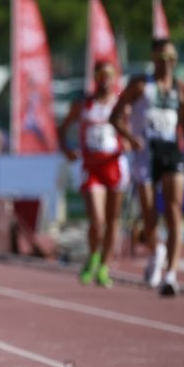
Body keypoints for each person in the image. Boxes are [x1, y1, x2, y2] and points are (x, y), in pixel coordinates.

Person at [110, 38, 184, 296]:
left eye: (171, 58)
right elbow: (115, 115)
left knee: (174, 212)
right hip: (145, 153)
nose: (167, 63)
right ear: (153, 59)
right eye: (161, 58)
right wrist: (129, 137)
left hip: (171, 151)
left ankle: (171, 275)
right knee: (149, 218)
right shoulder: (138, 85)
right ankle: (157, 249)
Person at [58, 61, 129, 287]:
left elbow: (130, 129)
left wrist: (128, 140)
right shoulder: (83, 104)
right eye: (102, 75)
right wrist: (67, 150)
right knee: (97, 221)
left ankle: (105, 267)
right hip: (92, 166)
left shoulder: (119, 104)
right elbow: (62, 128)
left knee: (112, 220)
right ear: (96, 78)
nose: (106, 80)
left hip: (114, 165)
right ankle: (93, 257)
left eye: (110, 76)